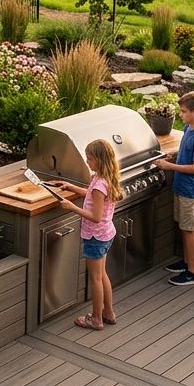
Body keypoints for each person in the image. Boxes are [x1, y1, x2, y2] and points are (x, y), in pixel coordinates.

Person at [52, 138, 123, 331]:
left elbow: (95, 216)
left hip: (95, 236)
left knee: (96, 278)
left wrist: (71, 207)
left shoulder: (100, 183)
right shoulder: (103, 177)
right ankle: (109, 313)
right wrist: (70, 186)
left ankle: (97, 319)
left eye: (90, 159)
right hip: (105, 235)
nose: (87, 162)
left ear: (100, 160)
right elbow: (91, 195)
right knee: (102, 275)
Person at [154, 91, 194, 286]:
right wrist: (173, 157)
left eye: (184, 111)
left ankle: (193, 273)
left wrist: (170, 166)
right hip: (181, 186)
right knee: (184, 227)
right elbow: (186, 153)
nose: (181, 115)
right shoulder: (188, 129)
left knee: (189, 230)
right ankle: (187, 263)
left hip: (191, 191)